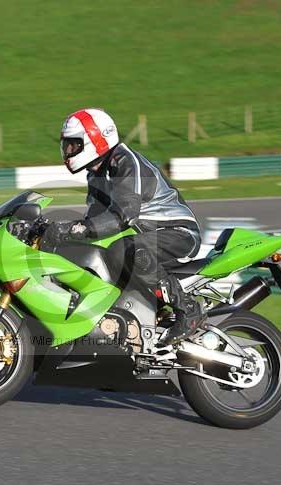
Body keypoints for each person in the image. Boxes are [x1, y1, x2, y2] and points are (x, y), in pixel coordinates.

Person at [43, 108, 203, 344]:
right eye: (66, 146)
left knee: (123, 250)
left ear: (94, 140)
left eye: (73, 145)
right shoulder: (95, 174)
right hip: (144, 236)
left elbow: (124, 215)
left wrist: (76, 229)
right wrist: (55, 230)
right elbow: (94, 222)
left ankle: (188, 310)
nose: (68, 152)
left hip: (177, 232)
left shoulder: (126, 162)